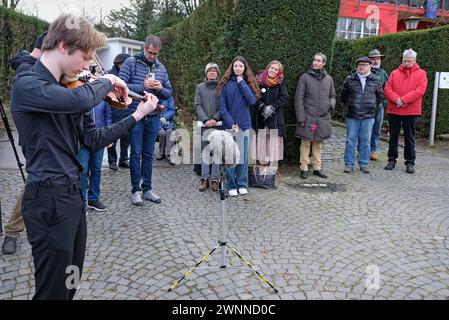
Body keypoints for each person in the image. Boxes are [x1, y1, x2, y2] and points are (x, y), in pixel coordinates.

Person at [10, 14, 159, 300]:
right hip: (48, 201)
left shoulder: (71, 87)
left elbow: (94, 139)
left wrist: (137, 115)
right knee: (52, 292)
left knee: (71, 281)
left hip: (73, 198)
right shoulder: (27, 84)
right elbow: (79, 100)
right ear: (64, 46)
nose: (88, 64)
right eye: (86, 56)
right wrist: (110, 79)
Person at [2, 31, 48, 255]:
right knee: (34, 183)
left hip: (49, 137)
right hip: (37, 139)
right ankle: (12, 230)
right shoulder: (27, 69)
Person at [119, 34, 173, 206]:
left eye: (155, 54)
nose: (152, 57)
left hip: (154, 116)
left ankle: (147, 189)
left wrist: (160, 87)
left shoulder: (161, 68)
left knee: (148, 154)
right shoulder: (131, 63)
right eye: (150, 53)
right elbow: (121, 86)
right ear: (144, 49)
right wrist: (143, 86)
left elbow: (168, 93)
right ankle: (136, 190)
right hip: (136, 115)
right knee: (135, 153)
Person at [218, 56, 259, 197]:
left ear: (244, 68)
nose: (238, 68)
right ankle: (231, 184)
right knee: (230, 156)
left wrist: (242, 83)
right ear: (232, 67)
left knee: (243, 156)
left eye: (241, 66)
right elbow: (222, 108)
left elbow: (252, 100)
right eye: (235, 66)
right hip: (230, 126)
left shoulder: (247, 83)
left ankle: (242, 183)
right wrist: (231, 123)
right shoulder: (225, 84)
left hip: (244, 125)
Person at [384, 49, 427, 174]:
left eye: (409, 61)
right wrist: (397, 100)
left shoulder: (421, 73)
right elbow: (387, 89)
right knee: (393, 137)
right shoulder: (394, 73)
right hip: (394, 109)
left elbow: (420, 90)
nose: (406, 63)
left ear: (414, 61)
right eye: (404, 61)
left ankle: (410, 162)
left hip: (411, 111)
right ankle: (391, 159)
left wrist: (403, 100)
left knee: (410, 137)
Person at [295, 53, 335, 179]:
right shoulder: (305, 77)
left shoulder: (329, 79)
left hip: (323, 116)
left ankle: (317, 167)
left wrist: (331, 105)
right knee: (306, 143)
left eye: (318, 61)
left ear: (323, 63)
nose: (315, 62)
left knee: (318, 143)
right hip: (308, 115)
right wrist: (301, 117)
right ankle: (304, 167)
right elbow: (298, 99)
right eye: (314, 60)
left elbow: (332, 96)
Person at [341, 56, 384, 174]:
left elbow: (380, 97)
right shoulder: (350, 79)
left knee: (365, 140)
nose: (362, 67)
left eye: (365, 65)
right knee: (350, 140)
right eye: (360, 65)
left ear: (370, 66)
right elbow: (343, 96)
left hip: (368, 116)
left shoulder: (376, 80)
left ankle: (363, 163)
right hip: (352, 115)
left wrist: (372, 106)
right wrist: (350, 105)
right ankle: (349, 164)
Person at [251, 60, 288, 169]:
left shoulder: (281, 82)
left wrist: (272, 108)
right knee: (261, 140)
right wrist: (262, 107)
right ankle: (260, 167)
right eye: (272, 68)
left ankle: (271, 168)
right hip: (260, 116)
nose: (273, 70)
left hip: (275, 117)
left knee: (272, 141)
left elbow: (283, 97)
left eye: (276, 69)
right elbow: (254, 95)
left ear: (279, 72)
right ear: (268, 68)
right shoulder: (258, 80)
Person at [77, 100, 112, 212]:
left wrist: (109, 136)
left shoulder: (103, 98)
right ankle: (81, 201)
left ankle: (94, 199)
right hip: (82, 137)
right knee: (82, 170)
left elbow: (107, 116)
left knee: (96, 169)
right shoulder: (81, 94)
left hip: (99, 136)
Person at [195, 62, 221, 192]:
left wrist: (215, 118)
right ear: (206, 73)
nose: (212, 72)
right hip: (205, 124)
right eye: (209, 70)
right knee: (205, 151)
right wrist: (205, 119)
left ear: (217, 73)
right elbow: (197, 105)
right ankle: (204, 179)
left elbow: (223, 105)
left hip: (217, 124)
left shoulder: (222, 87)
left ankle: (215, 179)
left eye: (214, 70)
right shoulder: (200, 87)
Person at [107, 53, 131, 171]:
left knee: (126, 136)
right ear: (118, 64)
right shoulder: (109, 75)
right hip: (114, 110)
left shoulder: (127, 74)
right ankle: (112, 161)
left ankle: (124, 158)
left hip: (125, 109)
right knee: (113, 136)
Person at [368, 49, 389, 161]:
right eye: (373, 59)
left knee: (376, 129)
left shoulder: (383, 73)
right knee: (365, 129)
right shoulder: (365, 71)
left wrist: (384, 103)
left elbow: (388, 89)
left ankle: (373, 150)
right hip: (366, 106)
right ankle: (362, 149)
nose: (376, 61)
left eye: (378, 58)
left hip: (379, 106)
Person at [157, 96, 177, 165]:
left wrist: (165, 117)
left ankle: (170, 154)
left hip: (168, 122)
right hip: (158, 123)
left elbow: (172, 110)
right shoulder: (155, 96)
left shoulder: (169, 97)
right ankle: (161, 153)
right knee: (162, 133)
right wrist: (160, 119)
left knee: (170, 132)